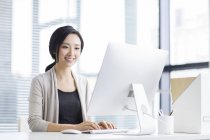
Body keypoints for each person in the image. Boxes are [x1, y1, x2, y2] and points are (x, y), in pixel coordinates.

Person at [28, 25, 115, 132]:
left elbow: (85, 122)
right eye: (65, 47)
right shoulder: (39, 82)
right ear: (55, 49)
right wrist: (75, 127)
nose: (72, 53)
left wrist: (97, 126)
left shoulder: (84, 82)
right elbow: (35, 123)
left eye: (77, 48)